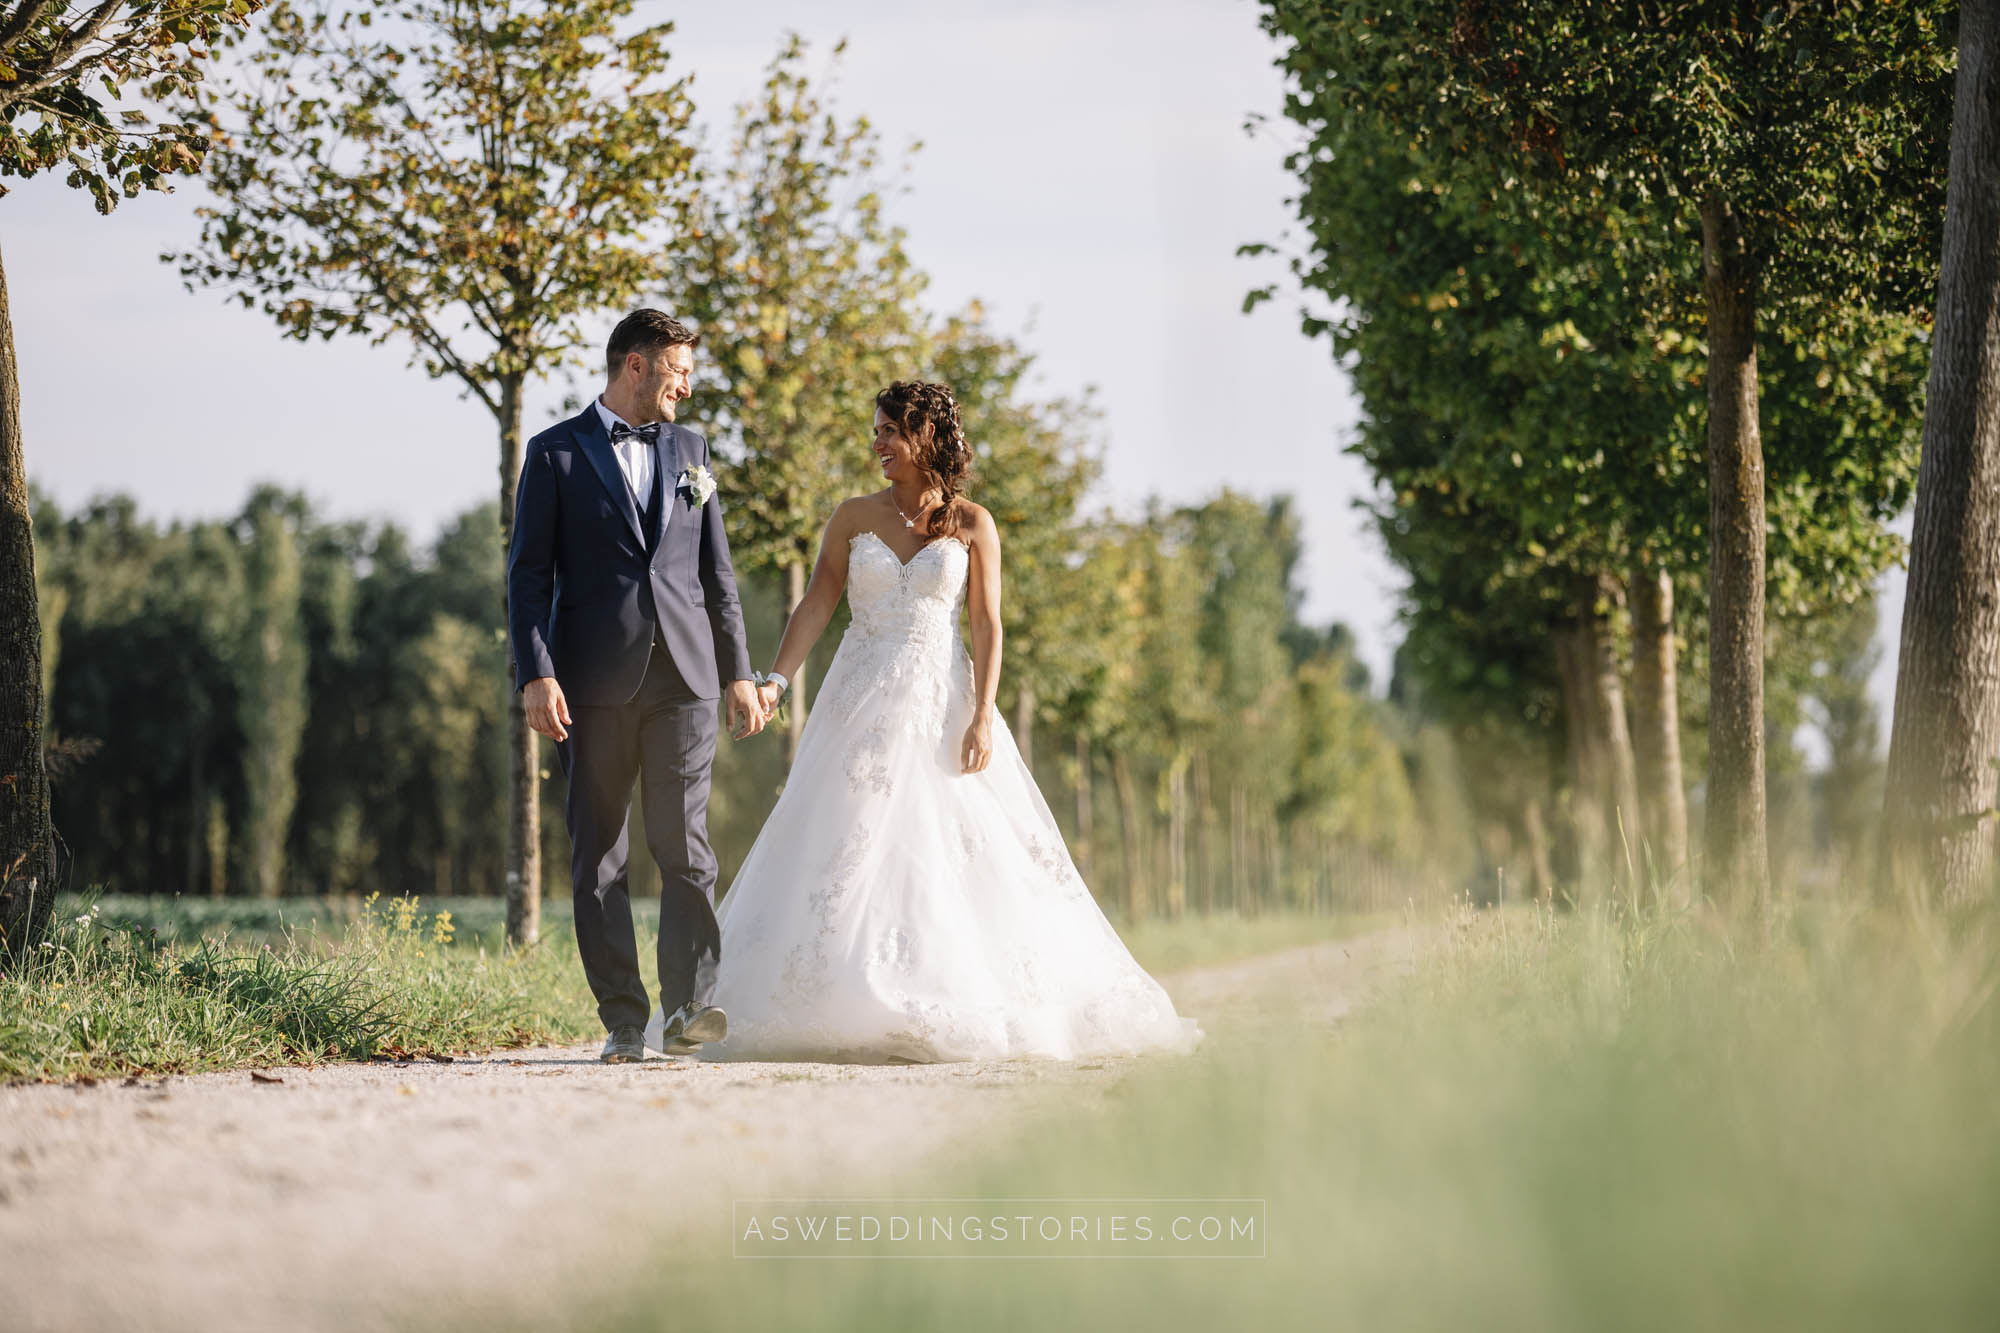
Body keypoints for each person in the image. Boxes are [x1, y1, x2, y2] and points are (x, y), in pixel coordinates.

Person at [643, 379, 1201, 1062]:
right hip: (858, 700)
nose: (876, 442)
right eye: (875, 429)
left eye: (889, 430)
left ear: (925, 435)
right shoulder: (852, 517)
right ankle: (834, 992)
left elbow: (987, 622)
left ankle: (948, 986)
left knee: (950, 843)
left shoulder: (973, 523)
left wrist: (983, 715)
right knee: (846, 840)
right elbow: (818, 601)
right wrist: (774, 681)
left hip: (943, 699)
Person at [507, 309, 768, 1064]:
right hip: (590, 683)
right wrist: (535, 671)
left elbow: (716, 573)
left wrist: (738, 672)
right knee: (600, 856)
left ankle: (690, 1005)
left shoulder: (692, 449)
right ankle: (624, 1017)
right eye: (678, 370)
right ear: (636, 366)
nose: (686, 385)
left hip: (684, 678)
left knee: (684, 843)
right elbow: (528, 577)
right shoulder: (554, 454)